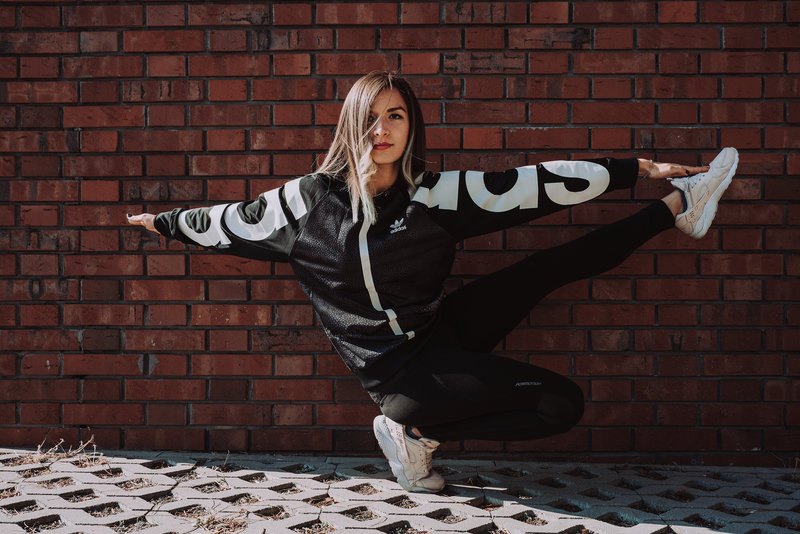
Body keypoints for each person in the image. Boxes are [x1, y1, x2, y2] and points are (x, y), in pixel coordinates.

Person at [128, 71, 739, 493]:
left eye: (395, 116)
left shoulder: (433, 195)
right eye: (370, 117)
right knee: (561, 404)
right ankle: (412, 430)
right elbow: (227, 222)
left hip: (440, 330)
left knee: (543, 269)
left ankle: (679, 207)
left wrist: (638, 170)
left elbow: (532, 185)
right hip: (400, 376)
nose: (382, 129)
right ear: (350, 124)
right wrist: (165, 222)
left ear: (411, 125)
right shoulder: (305, 205)